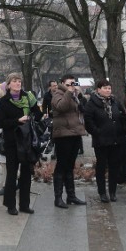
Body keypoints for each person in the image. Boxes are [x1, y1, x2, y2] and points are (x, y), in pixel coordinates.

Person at [0, 72, 42, 215]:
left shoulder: (28, 98)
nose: (18, 83)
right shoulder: (3, 101)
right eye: (14, 81)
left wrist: (37, 112)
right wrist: (17, 120)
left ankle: (24, 204)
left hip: (27, 141)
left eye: (19, 81)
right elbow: (0, 122)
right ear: (8, 84)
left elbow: (38, 115)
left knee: (27, 174)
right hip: (12, 142)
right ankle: (10, 205)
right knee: (12, 174)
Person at [83, 79, 126, 203]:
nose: (108, 90)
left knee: (114, 166)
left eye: (109, 88)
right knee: (101, 167)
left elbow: (122, 115)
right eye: (105, 88)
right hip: (101, 141)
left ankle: (112, 191)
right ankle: (102, 192)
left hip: (116, 139)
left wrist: (123, 129)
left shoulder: (115, 101)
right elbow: (88, 121)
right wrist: (98, 132)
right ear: (98, 89)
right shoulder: (92, 103)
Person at [50, 74, 88, 208]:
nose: (71, 86)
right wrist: (69, 93)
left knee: (70, 166)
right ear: (62, 84)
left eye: (73, 83)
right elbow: (61, 107)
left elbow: (83, 110)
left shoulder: (74, 95)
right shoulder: (58, 93)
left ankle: (71, 196)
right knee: (61, 166)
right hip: (63, 135)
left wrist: (79, 95)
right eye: (68, 84)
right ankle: (58, 198)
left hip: (75, 133)